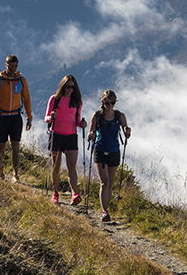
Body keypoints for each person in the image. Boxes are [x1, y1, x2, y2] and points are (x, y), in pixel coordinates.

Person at [0, 55, 32, 182]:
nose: (13, 69)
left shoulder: (21, 80)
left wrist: (29, 117)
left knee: (16, 146)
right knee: (1, 145)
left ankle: (16, 174)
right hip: (2, 117)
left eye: (15, 66)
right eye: (10, 66)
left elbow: (26, 99)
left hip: (16, 116)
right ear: (5, 65)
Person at [87, 89, 131, 222]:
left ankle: (105, 210)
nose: (110, 105)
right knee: (104, 182)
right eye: (107, 103)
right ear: (103, 102)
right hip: (100, 150)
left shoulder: (120, 116)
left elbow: (126, 132)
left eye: (112, 103)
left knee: (110, 183)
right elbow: (90, 132)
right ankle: (104, 211)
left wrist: (127, 131)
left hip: (114, 151)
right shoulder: (97, 116)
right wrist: (91, 135)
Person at [44, 74, 86, 204]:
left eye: (72, 87)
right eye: (67, 86)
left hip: (71, 136)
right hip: (56, 134)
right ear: (62, 86)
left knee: (72, 166)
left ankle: (74, 194)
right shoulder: (54, 99)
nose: (69, 89)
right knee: (55, 166)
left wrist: (82, 124)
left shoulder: (77, 102)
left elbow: (76, 120)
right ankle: (55, 193)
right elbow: (46, 118)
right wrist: (51, 118)